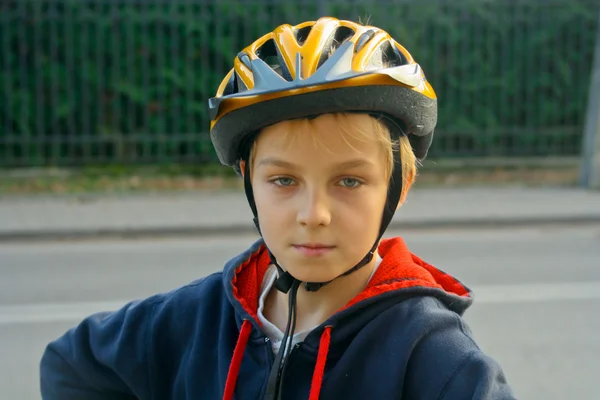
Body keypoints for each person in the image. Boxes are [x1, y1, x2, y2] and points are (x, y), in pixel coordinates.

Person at [40, 17, 516, 400]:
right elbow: (70, 367)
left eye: (349, 181)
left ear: (400, 184)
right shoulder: (196, 320)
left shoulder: (434, 360)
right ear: (248, 181)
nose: (314, 213)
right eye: (284, 180)